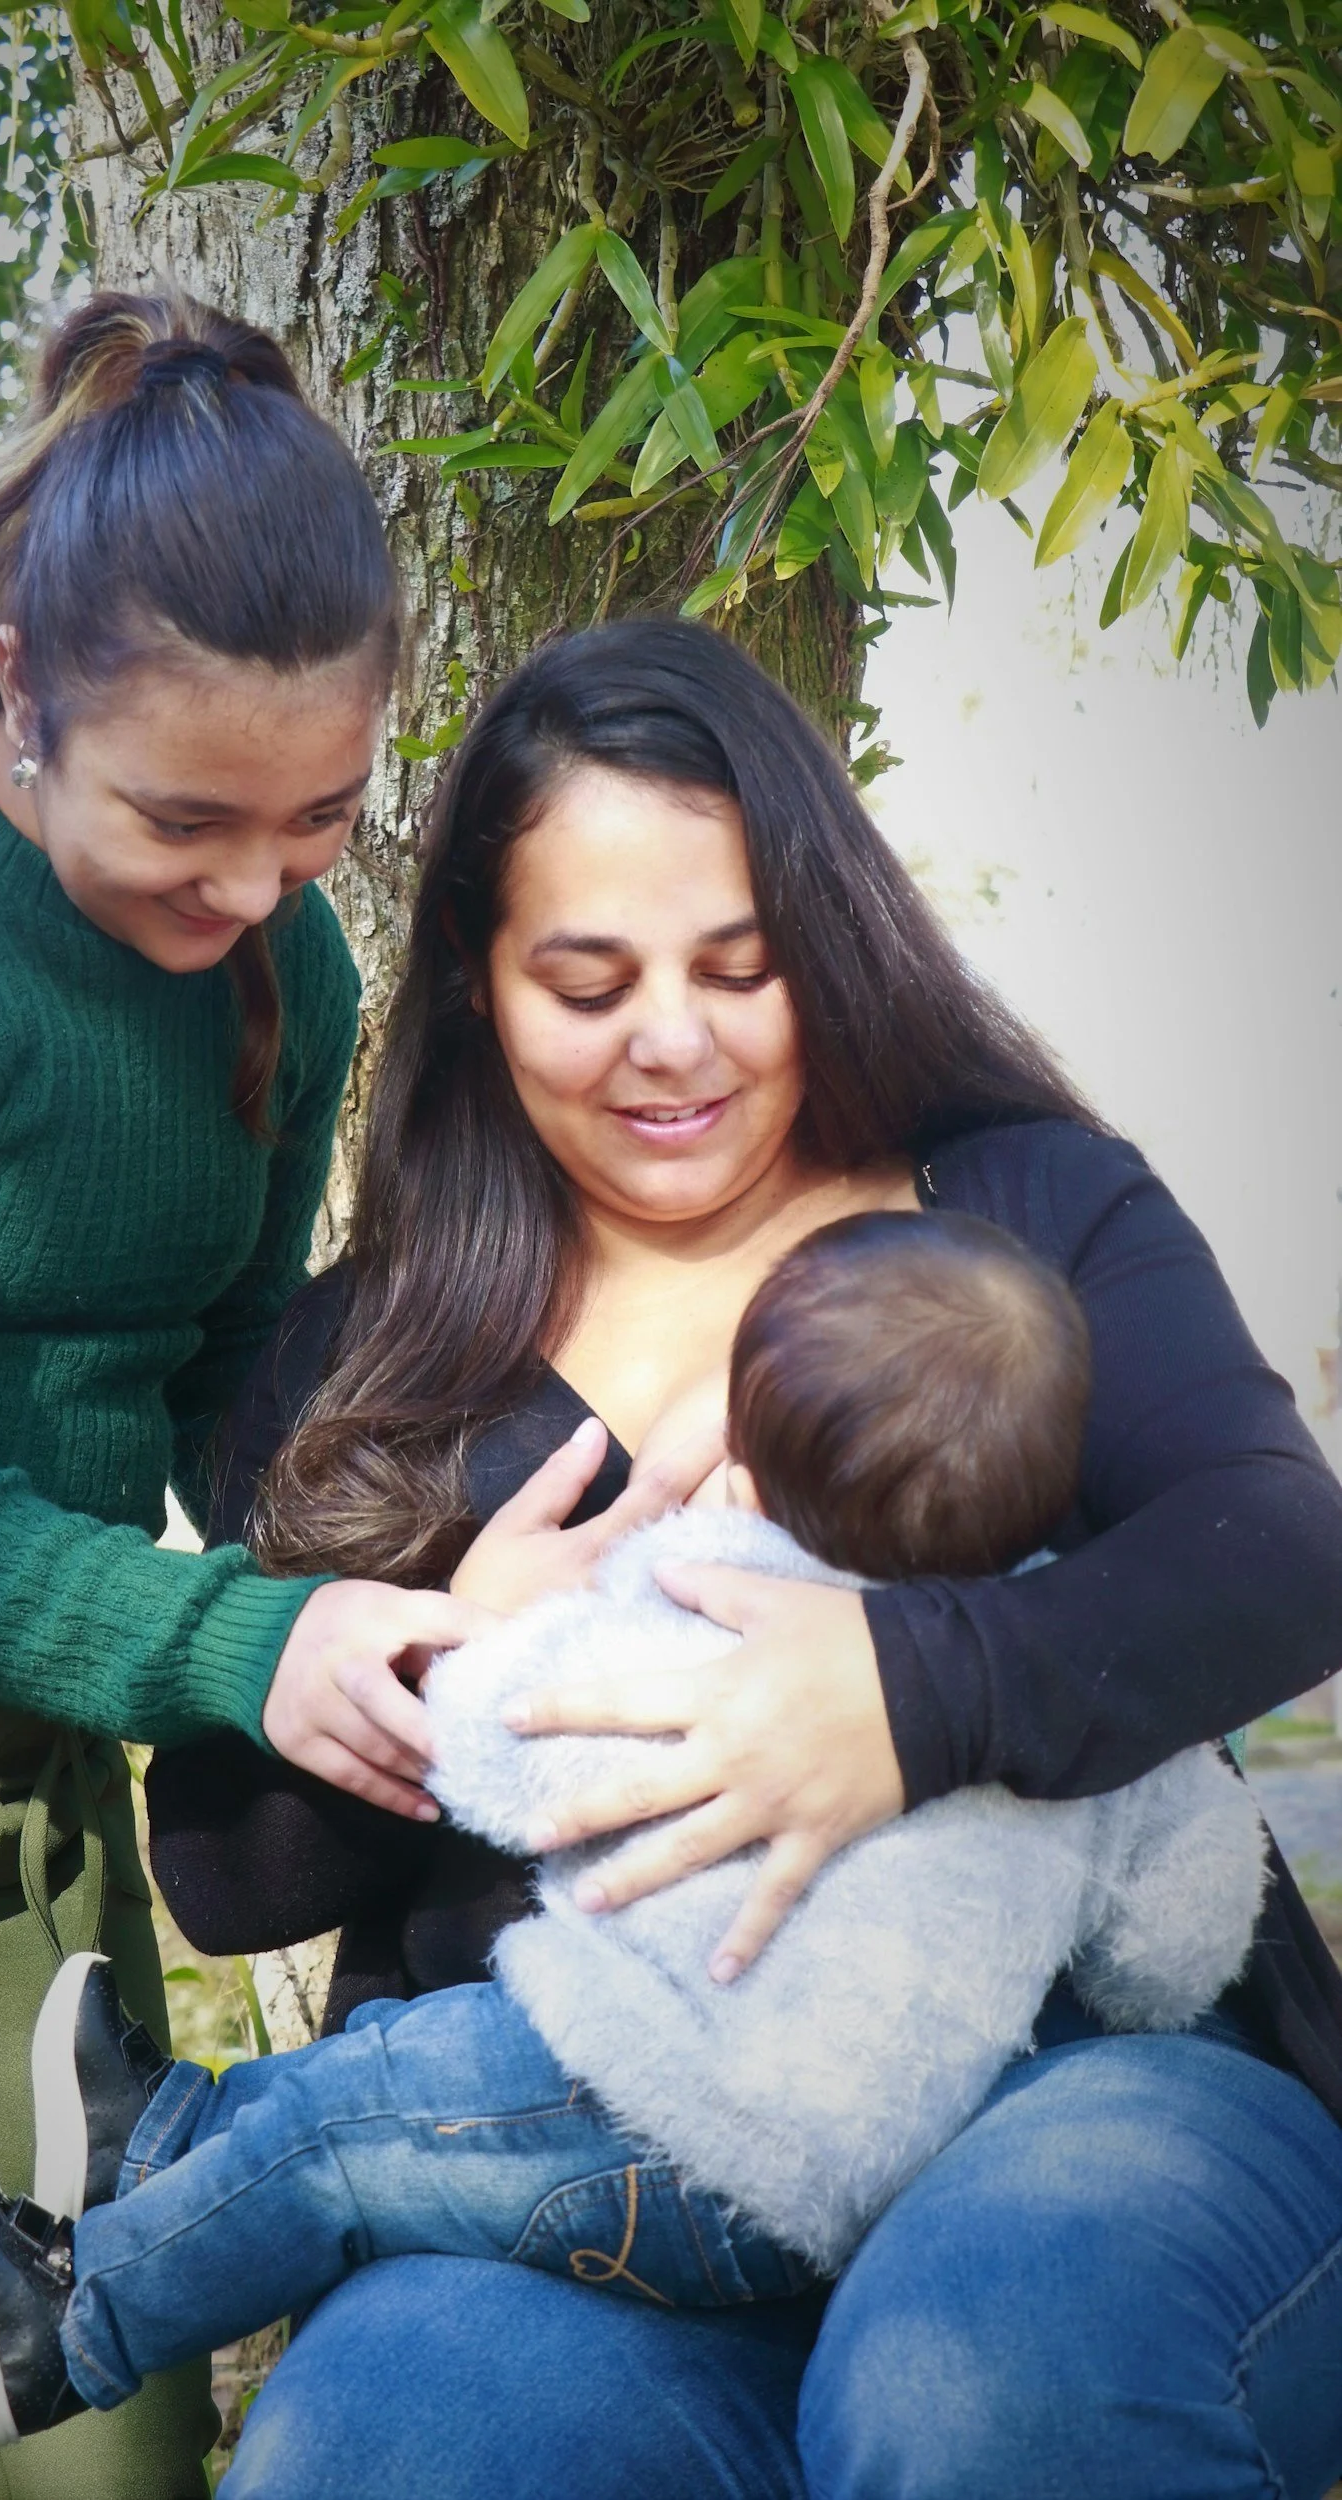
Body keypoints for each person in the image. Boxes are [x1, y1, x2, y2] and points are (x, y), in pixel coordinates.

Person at [146, 619, 1342, 2499]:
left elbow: (1276, 1552)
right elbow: (219, 1861)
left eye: (739, 965)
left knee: (973, 2382)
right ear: (473, 984)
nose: (673, 1042)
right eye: (588, 980)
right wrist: (455, 1663)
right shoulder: (361, 1363)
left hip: (1083, 2109)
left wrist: (899, 1696)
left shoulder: (1016, 1209)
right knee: (384, 2450)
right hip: (606, 2175)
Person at [0, 286, 491, 2500]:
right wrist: (243, 1643)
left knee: (91, 2408)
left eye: (316, 819)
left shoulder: (279, 961)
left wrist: (392, 1566)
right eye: (185, 821)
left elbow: (229, 1367)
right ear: (22, 685)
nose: (248, 891)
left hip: (22, 1759)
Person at [0, 1210, 1266, 2450]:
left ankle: (78, 2325)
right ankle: (160, 2135)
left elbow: (507, 1766)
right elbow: (1174, 1945)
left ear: (754, 1439)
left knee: (350, 2153)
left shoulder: (714, 1587)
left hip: (669, 2127)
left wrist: (482, 1626)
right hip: (832, 2145)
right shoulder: (1075, 1667)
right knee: (402, 2063)